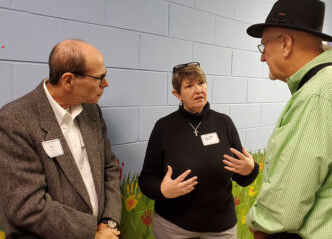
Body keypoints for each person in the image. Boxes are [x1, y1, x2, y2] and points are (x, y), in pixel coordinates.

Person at [241, 0, 332, 239]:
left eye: (264, 46)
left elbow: (288, 199)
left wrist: (260, 224)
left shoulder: (320, 93)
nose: (262, 56)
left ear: (285, 44)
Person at [0, 39, 121, 239]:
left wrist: (108, 223)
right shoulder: (14, 121)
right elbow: (27, 206)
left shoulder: (91, 111)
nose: (106, 84)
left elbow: (109, 168)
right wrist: (90, 232)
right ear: (68, 80)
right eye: (100, 78)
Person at [138, 62, 259, 239]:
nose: (198, 90)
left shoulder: (224, 123)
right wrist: (162, 191)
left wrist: (251, 169)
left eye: (201, 83)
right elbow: (146, 178)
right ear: (177, 94)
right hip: (173, 227)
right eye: (189, 86)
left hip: (220, 228)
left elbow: (241, 177)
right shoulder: (164, 127)